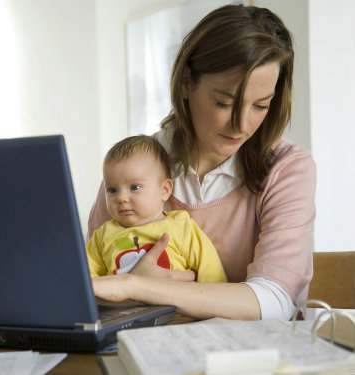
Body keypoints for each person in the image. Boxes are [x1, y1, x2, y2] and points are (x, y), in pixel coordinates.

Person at [87, 4, 316, 321]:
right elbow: (88, 290)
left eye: (261, 106)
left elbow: (274, 302)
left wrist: (136, 285)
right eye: (224, 102)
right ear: (186, 83)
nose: (242, 125)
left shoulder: (288, 168)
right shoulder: (135, 166)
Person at [86, 135, 227, 283]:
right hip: (123, 305)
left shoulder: (181, 227)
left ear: (165, 190)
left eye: (135, 187)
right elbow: (86, 283)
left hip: (176, 303)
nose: (121, 198)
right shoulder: (102, 236)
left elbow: (212, 273)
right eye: (112, 190)